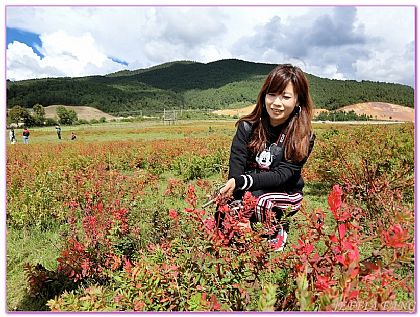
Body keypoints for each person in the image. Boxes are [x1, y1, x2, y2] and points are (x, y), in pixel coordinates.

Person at [217, 64, 315, 251]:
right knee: (224, 209)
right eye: (272, 94)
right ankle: (250, 229)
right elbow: (236, 168)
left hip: (286, 193)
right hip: (252, 189)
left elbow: (283, 175)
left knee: (263, 201)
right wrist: (238, 207)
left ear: (297, 101)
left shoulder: (303, 136)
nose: (276, 103)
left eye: (285, 97)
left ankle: (275, 231)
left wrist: (242, 182)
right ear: (263, 96)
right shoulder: (247, 127)